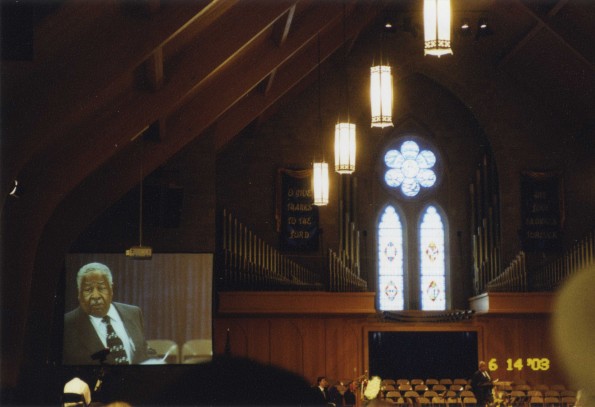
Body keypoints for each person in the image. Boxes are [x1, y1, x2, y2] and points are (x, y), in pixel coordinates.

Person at [63, 262, 149, 365]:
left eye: (101, 288)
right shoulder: (67, 324)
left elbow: (143, 352)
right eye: (88, 289)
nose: (95, 296)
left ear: (111, 289)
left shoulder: (133, 313)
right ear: (79, 293)